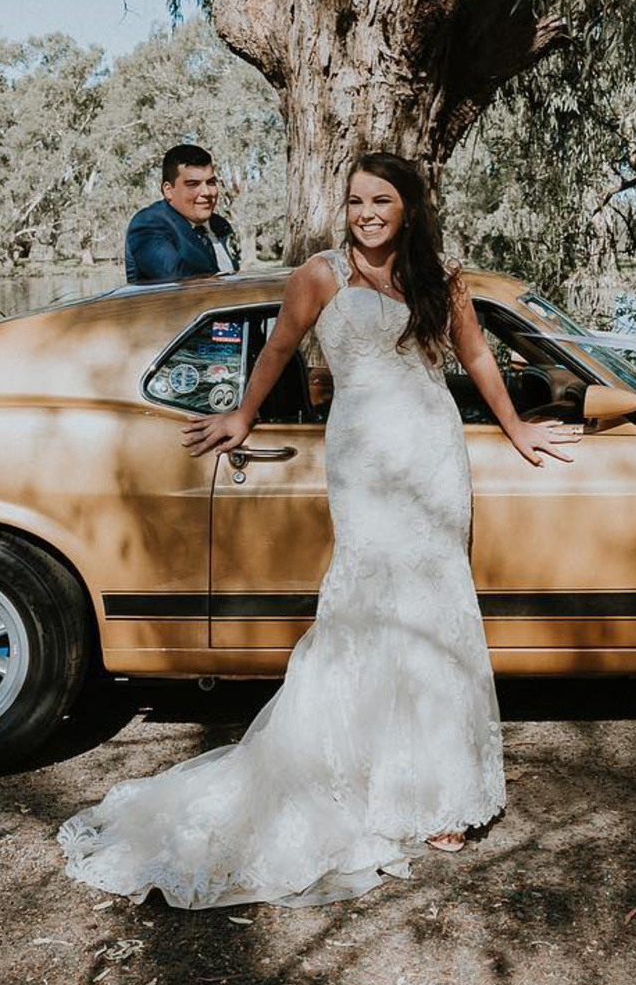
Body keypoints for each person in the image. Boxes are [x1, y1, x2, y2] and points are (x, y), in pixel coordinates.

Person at [59, 152, 582, 908]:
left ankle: (434, 792)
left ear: (409, 207)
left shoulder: (441, 273)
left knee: (434, 605)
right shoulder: (319, 274)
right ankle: (358, 778)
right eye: (356, 201)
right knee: (369, 604)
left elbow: (474, 354)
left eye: (382, 200)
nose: (366, 213)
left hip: (432, 447)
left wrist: (519, 431)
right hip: (364, 454)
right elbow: (277, 347)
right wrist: (242, 415)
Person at [124, 144, 241, 283]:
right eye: (193, 184)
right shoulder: (149, 223)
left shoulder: (220, 225)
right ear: (168, 190)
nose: (207, 192)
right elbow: (177, 278)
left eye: (210, 182)